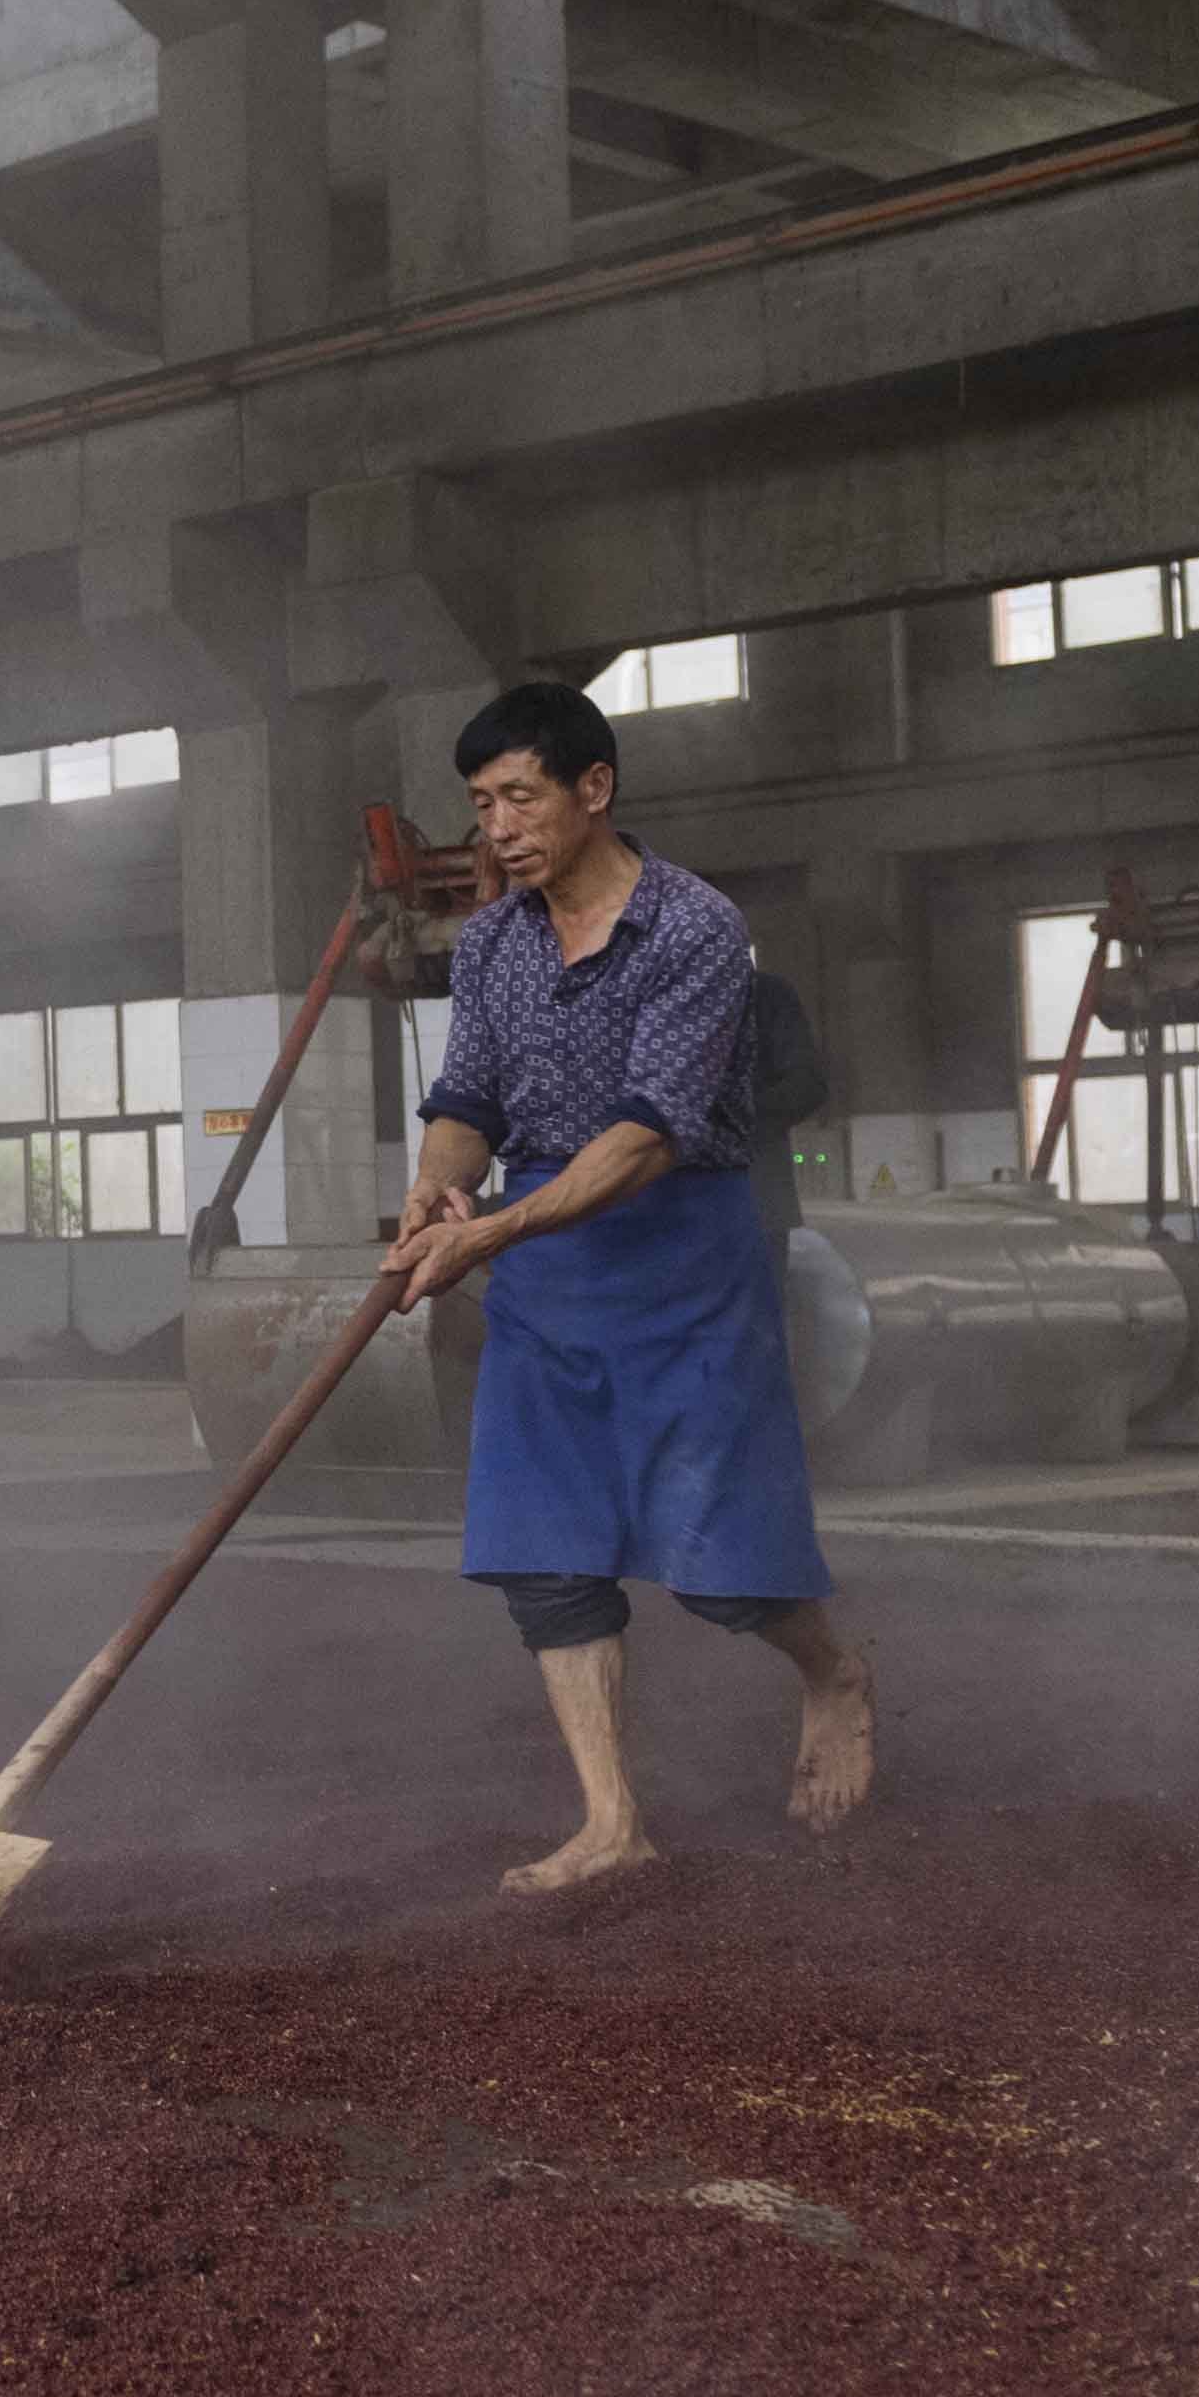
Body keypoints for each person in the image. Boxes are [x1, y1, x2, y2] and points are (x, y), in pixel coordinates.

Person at [390, 684, 874, 1891]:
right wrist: (438, 1185)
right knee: (543, 1552)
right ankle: (612, 1825)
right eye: (480, 805)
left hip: (680, 1256)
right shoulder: (494, 942)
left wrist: (492, 1228)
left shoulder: (695, 928)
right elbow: (468, 1099)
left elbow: (652, 1133)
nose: (497, 828)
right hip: (545, 1276)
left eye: (519, 797)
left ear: (593, 787)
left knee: (723, 1568)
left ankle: (832, 1673)